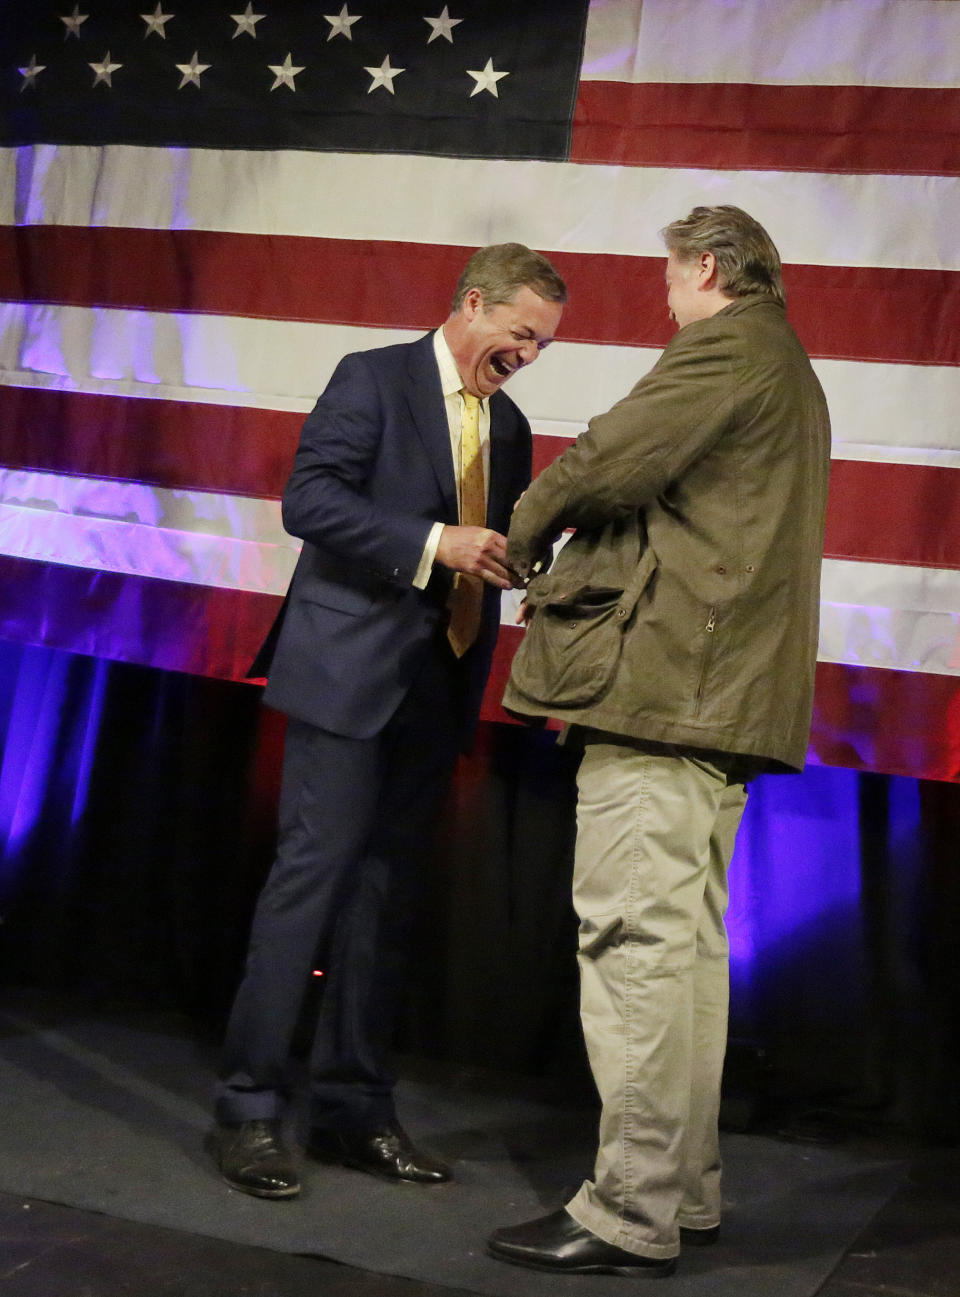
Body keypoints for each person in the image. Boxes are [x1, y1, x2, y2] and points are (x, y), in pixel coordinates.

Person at [487, 206, 830, 1276]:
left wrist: (527, 523)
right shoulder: (789, 367)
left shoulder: (728, 344)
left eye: (672, 279)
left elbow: (614, 457)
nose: (665, 299)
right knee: (678, 961)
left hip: (668, 690)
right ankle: (679, 1193)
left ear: (712, 269)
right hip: (718, 705)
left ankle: (628, 1207)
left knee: (635, 950)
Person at [210, 243, 566, 1198]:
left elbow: (488, 545)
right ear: (473, 303)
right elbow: (310, 502)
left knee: (386, 901)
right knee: (310, 885)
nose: (528, 354)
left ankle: (352, 1110)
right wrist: (433, 542)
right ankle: (248, 1108)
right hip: (345, 676)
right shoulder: (370, 378)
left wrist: (515, 567)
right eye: (521, 333)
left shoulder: (516, 425)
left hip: (439, 685)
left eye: (542, 344)